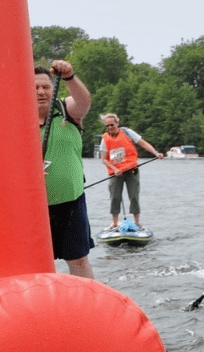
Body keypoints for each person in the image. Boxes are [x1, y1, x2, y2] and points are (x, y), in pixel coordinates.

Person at [36, 60, 95, 279]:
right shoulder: (15, 117)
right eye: (34, 88)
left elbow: (83, 102)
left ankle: (88, 307)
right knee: (38, 263)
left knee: (78, 259)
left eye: (46, 86)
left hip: (71, 202)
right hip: (34, 206)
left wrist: (69, 76)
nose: (41, 92)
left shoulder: (66, 109)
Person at [99, 113, 162, 229]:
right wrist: (115, 169)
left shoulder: (127, 132)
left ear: (117, 123)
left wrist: (155, 153)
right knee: (115, 197)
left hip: (131, 170)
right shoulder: (105, 139)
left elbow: (142, 143)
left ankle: (137, 223)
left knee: (134, 196)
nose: (110, 128)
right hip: (115, 173)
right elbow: (104, 159)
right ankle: (114, 223)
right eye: (107, 126)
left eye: (112, 125)